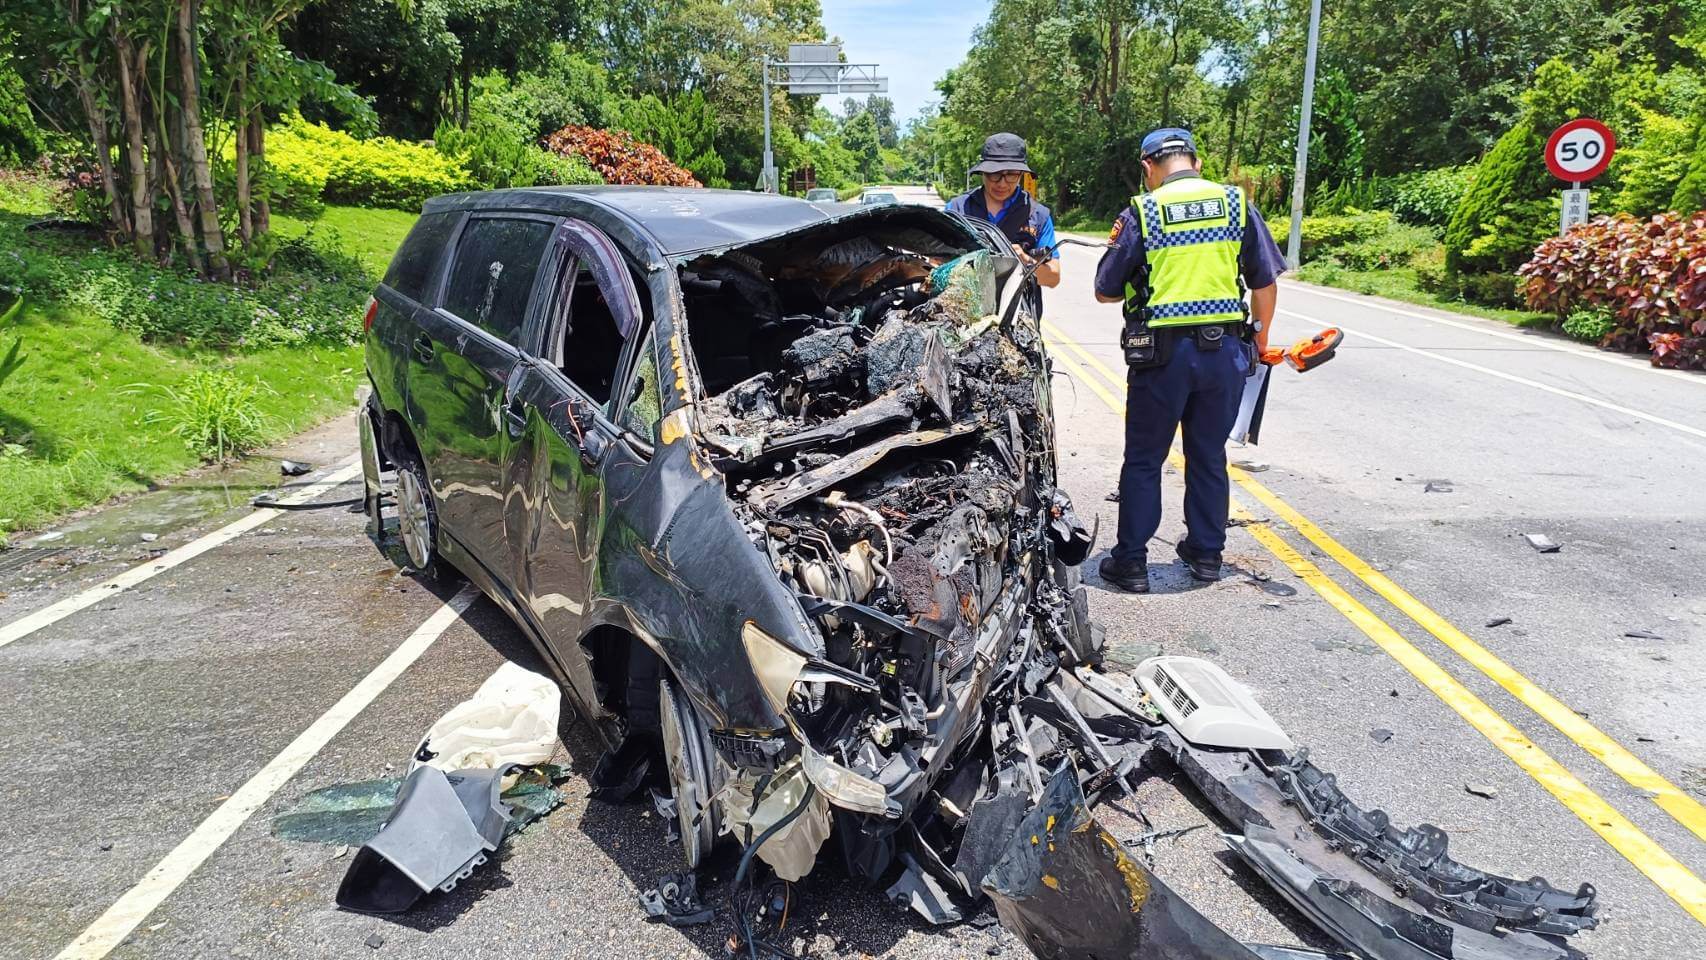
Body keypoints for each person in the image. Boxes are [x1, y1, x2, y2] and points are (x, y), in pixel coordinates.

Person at [1092, 128, 1286, 593]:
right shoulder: (1236, 205)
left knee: (1144, 459)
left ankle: (1131, 563)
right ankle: (1206, 555)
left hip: (1161, 357)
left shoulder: (1143, 211)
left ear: (1148, 167)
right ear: (1196, 163)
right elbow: (1264, 282)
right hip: (1225, 354)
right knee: (1208, 454)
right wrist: (1260, 340)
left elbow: (1104, 290)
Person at [946, 133, 1060, 312]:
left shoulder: (1038, 215)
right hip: (963, 313)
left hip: (1018, 317)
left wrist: (1025, 260)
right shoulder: (958, 209)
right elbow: (935, 264)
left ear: (1021, 174)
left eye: (1011, 175)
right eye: (995, 174)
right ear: (983, 172)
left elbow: (1053, 278)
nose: (1002, 183)